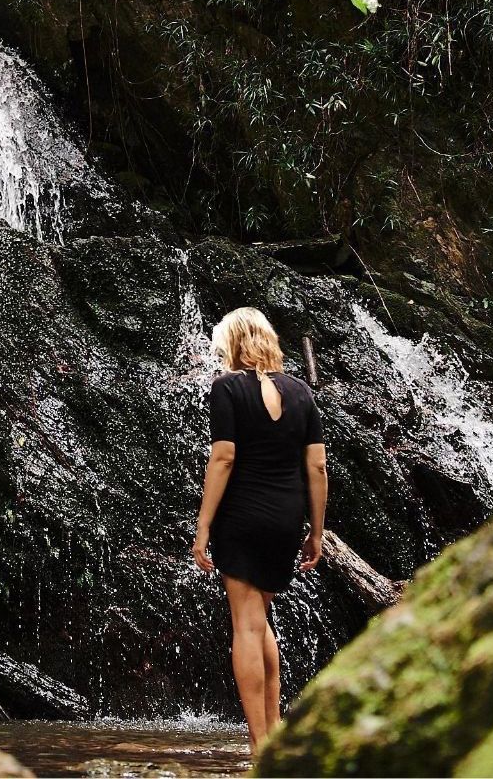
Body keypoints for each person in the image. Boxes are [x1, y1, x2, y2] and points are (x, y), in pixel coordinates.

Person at [191, 306, 328, 754]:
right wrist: (317, 531)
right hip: (286, 519)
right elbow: (318, 466)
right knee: (260, 620)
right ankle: (273, 733)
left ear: (233, 344)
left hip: (242, 516)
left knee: (245, 627)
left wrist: (203, 525)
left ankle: (258, 746)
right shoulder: (302, 392)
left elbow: (223, 458)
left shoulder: (227, 388)